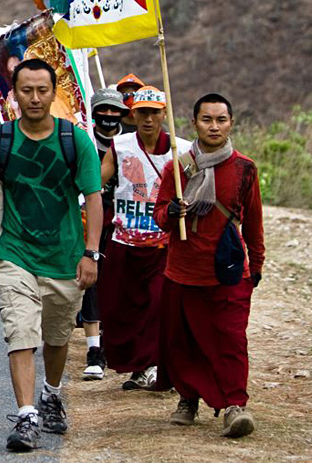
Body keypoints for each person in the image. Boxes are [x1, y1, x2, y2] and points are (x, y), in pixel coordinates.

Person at [0, 58, 103, 452]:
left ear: (55, 93)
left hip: (65, 256)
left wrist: (91, 253)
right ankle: (26, 415)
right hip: (15, 253)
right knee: (20, 332)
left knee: (56, 338)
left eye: (42, 90)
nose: (35, 98)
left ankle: (51, 395)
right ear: (14, 94)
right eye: (27, 90)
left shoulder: (76, 140)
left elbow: (93, 197)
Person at [153, 93, 264, 438]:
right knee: (185, 340)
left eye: (220, 120)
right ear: (194, 124)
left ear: (231, 123)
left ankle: (235, 407)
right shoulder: (178, 166)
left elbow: (254, 222)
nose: (213, 126)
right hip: (184, 270)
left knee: (230, 340)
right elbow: (160, 215)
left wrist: (256, 263)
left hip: (229, 271)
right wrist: (171, 213)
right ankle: (188, 398)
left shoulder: (245, 169)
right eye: (206, 120)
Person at [98, 86, 191, 391]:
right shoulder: (120, 146)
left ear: (164, 114)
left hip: (164, 244)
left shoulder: (182, 149)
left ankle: (156, 366)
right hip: (124, 241)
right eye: (142, 113)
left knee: (157, 306)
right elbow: (97, 179)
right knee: (121, 309)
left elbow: (197, 187)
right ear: (133, 114)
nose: (148, 119)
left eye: (154, 113)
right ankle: (139, 368)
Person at [77, 87, 131, 381]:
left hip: (127, 223)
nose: (109, 116)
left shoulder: (131, 143)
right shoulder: (82, 142)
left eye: (115, 111)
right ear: (93, 113)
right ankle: (94, 351)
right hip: (91, 220)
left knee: (122, 281)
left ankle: (120, 343)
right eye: (103, 111)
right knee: (92, 280)